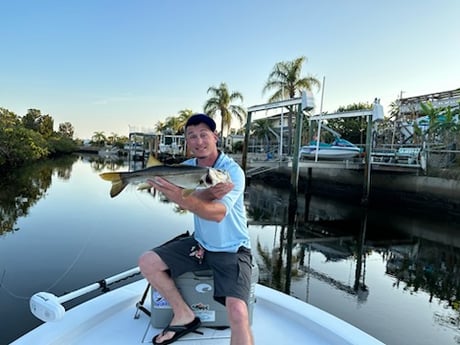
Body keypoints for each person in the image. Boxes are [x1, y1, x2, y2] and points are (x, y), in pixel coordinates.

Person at [138, 113, 254, 345]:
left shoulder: (231, 172)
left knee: (239, 313)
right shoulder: (187, 168)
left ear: (216, 137)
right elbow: (184, 192)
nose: (199, 141)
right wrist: (199, 194)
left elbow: (218, 214)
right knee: (147, 262)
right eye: (192, 136)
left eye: (204, 135)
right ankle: (184, 315)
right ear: (187, 142)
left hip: (232, 250)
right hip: (200, 244)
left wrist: (184, 198)